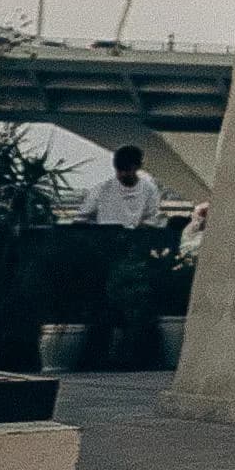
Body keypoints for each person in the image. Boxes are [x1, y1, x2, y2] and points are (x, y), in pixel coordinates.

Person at [76, 148, 167, 371]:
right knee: (104, 305)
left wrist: (141, 230)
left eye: (126, 170)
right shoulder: (103, 189)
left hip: (134, 249)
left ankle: (130, 353)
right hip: (105, 250)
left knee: (134, 305)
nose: (122, 175)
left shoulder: (148, 189)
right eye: (119, 170)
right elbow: (82, 217)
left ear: (136, 168)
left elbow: (155, 218)